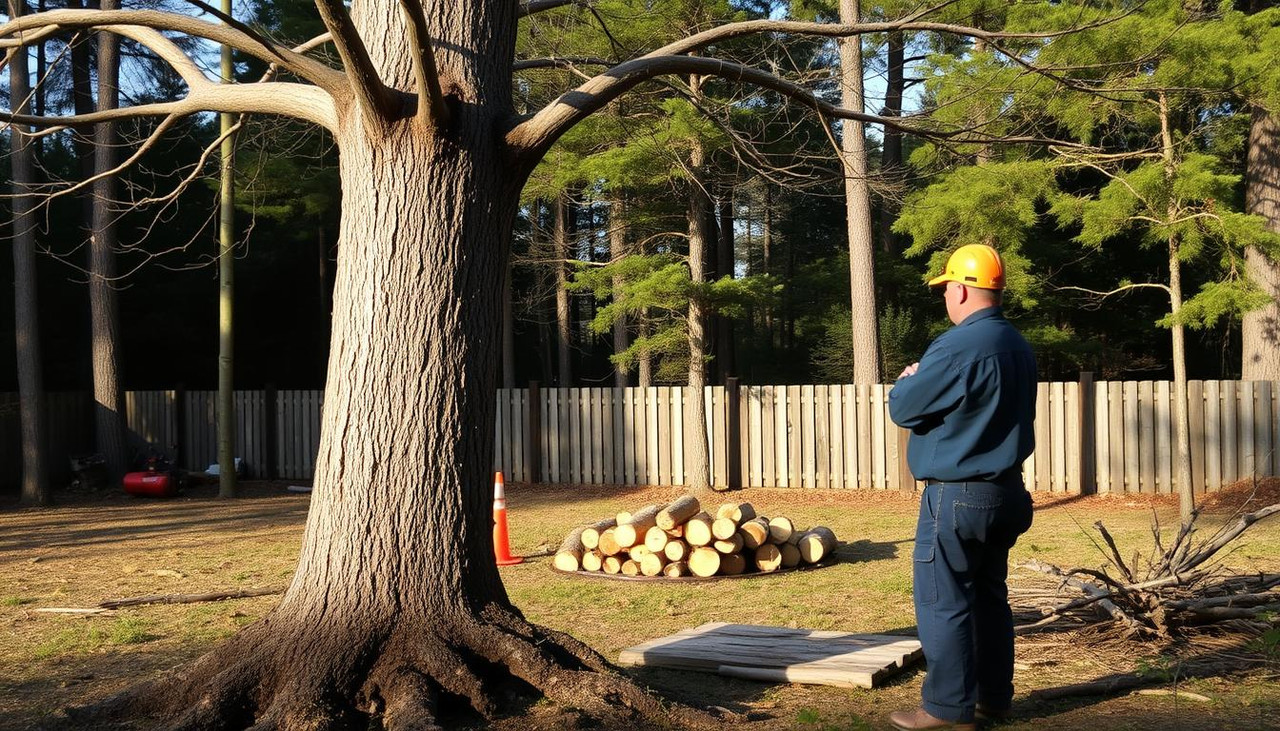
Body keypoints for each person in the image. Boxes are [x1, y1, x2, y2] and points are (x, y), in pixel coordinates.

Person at [886, 244, 1037, 731]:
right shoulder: (1017, 344)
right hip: (1007, 491)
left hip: (957, 496)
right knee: (990, 598)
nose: (946, 298)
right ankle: (994, 699)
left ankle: (946, 710)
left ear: (962, 289)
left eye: (946, 289)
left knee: (944, 600)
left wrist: (907, 380)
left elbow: (904, 408)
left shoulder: (957, 346)